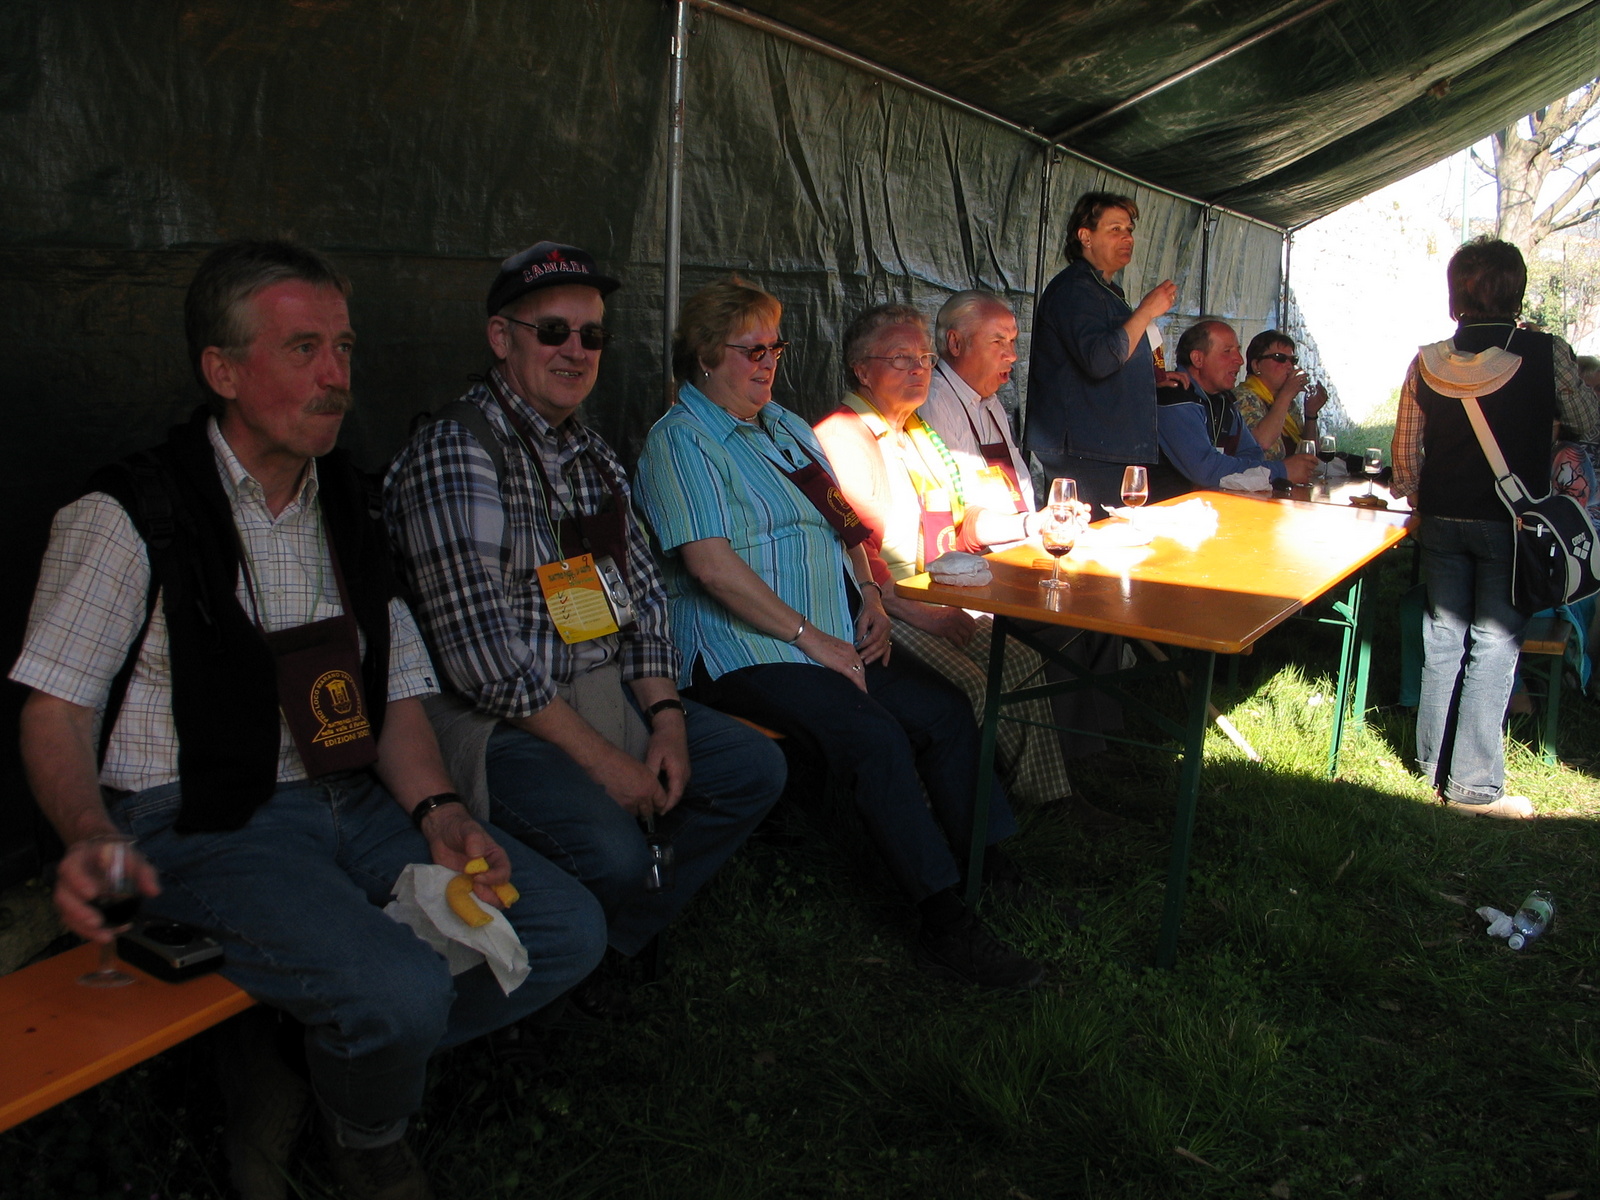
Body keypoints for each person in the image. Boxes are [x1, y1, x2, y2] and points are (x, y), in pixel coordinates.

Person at [9, 240, 605, 1200]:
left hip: (351, 799)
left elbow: (395, 690)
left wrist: (442, 813)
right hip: (203, 820)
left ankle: (306, 1059)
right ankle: (368, 1138)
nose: (337, 376)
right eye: (304, 350)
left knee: (567, 927)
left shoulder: (350, 506)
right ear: (223, 370)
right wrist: (87, 835)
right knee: (401, 989)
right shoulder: (129, 513)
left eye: (345, 348)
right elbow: (55, 708)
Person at [384, 243, 783, 1005]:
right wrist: (604, 762)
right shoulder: (458, 453)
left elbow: (645, 602)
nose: (575, 350)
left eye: (592, 335)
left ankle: (613, 941)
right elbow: (482, 661)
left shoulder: (590, 455)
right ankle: (575, 942)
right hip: (496, 720)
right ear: (501, 338)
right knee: (611, 849)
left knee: (750, 769)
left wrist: (666, 720)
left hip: (598, 688)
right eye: (552, 331)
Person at [634, 277, 1047, 990]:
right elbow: (710, 567)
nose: (768, 363)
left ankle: (989, 863)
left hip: (829, 637)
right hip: (743, 651)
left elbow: (847, 527)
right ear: (704, 355)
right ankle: (941, 917)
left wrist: (871, 596)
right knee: (872, 735)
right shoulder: (680, 441)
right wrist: (810, 637)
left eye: (775, 348)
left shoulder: (787, 428)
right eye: (752, 351)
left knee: (945, 712)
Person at [812, 302, 1120, 829]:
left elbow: (961, 524)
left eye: (924, 358)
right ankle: (954, 816)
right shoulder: (844, 435)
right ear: (861, 370)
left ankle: (1048, 797)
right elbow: (852, 549)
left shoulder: (914, 432)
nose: (919, 369)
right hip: (881, 608)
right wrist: (921, 612)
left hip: (936, 592)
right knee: (969, 685)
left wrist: (1033, 524)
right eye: (901, 358)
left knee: (1018, 661)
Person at [1391, 236, 1600, 817]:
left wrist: (1422, 499)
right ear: (1517, 293)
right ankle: (1474, 787)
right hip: (1513, 522)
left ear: (1455, 295)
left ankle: (1430, 765)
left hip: (1442, 518)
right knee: (1495, 643)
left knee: (1443, 637)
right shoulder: (1546, 352)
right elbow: (1588, 421)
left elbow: (1405, 457)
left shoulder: (1427, 360)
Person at [920, 290, 1129, 772]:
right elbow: (961, 518)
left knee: (1105, 599)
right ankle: (1071, 760)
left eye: (1014, 341)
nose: (1012, 355)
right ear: (955, 343)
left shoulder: (991, 402)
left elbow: (1017, 486)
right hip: (975, 566)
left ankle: (1102, 737)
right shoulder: (934, 401)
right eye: (999, 342)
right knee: (1067, 616)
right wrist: (1032, 524)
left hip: (1017, 548)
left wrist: (1051, 518)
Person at [1025, 191, 1178, 511]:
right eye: (1115, 229)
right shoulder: (1075, 289)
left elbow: (1115, 354)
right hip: (1085, 448)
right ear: (1086, 237)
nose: (1127, 238)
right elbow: (1100, 359)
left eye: (1129, 230)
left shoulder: (1105, 290)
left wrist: (1146, 379)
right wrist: (1146, 311)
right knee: (1090, 535)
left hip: (1104, 444)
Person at [1150, 319, 1319, 500]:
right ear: (1198, 359)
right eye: (1227, 351)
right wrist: (1282, 471)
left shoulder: (1224, 401)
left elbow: (1253, 454)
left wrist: (1222, 472)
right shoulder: (1174, 396)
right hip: (1162, 509)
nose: (1240, 360)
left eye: (1238, 350)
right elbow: (1205, 468)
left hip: (1209, 505)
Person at [1232, 329, 1328, 460]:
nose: (1289, 366)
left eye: (1293, 360)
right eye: (1280, 358)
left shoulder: (1288, 403)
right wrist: (1286, 395)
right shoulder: (1242, 397)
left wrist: (1311, 414)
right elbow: (1261, 443)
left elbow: (1310, 453)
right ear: (1256, 365)